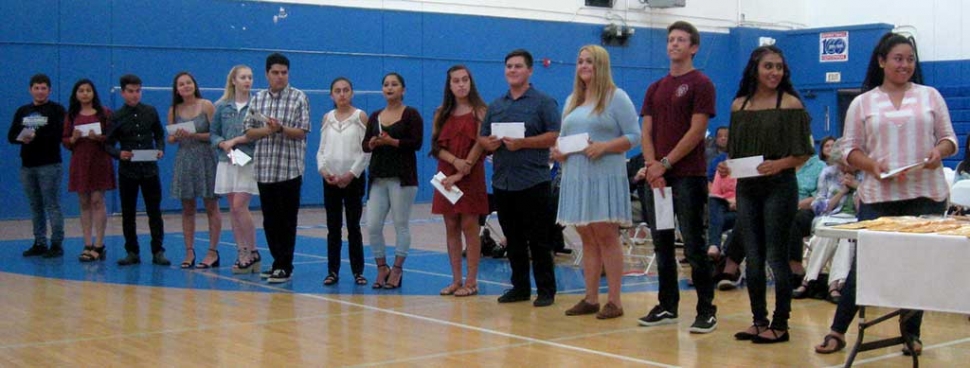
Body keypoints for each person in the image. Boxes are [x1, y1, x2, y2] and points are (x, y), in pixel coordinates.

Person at [815, 32, 956, 356]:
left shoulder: (930, 96)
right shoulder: (863, 102)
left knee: (917, 267)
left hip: (925, 194)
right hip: (878, 196)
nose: (905, 65)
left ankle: (911, 333)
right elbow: (848, 149)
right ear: (881, 61)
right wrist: (871, 165)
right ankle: (838, 331)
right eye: (898, 58)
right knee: (865, 264)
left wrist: (938, 152)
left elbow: (949, 139)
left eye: (910, 59)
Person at [722, 45, 815, 344]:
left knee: (777, 256)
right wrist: (726, 167)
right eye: (769, 66)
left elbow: (802, 152)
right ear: (755, 69)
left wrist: (779, 164)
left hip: (780, 186)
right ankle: (758, 320)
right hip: (748, 186)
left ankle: (781, 323)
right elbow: (735, 152)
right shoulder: (739, 106)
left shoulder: (790, 104)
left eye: (779, 67)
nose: (775, 72)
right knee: (753, 255)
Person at [637, 21, 717, 332]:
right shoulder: (655, 87)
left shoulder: (701, 83)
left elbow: (697, 131)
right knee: (662, 243)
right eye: (670, 39)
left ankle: (706, 309)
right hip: (658, 179)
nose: (674, 44)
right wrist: (652, 166)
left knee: (694, 245)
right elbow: (647, 130)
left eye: (681, 40)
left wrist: (666, 163)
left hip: (688, 177)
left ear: (693, 47)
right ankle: (667, 305)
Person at [553, 45, 640, 319]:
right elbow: (564, 137)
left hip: (604, 174)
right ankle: (590, 297)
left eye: (589, 61)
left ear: (601, 65)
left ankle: (614, 300)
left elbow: (633, 135)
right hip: (576, 175)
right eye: (580, 61)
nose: (583, 66)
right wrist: (559, 151)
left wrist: (604, 146)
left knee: (605, 234)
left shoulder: (617, 97)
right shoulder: (572, 101)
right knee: (586, 236)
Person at [479, 49, 561, 307]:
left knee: (539, 239)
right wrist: (489, 143)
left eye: (517, 66)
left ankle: (546, 290)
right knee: (512, 238)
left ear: (529, 70)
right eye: (509, 67)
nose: (512, 70)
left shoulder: (543, 102)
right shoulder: (496, 105)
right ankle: (520, 287)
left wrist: (523, 143)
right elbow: (482, 137)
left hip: (534, 181)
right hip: (503, 181)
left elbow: (553, 136)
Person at [244, 53, 310, 283]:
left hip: (289, 168)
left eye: (284, 72)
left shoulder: (299, 98)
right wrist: (267, 131)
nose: (280, 77)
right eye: (275, 72)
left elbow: (302, 132)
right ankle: (276, 262)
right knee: (270, 220)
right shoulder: (258, 99)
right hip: (264, 168)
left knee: (287, 219)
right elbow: (249, 132)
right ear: (267, 74)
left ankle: (284, 264)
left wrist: (281, 128)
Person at [430, 66, 489, 297]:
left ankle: (471, 281)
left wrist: (462, 169)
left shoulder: (480, 111)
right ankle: (456, 279)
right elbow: (436, 147)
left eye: (465, 80)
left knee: (469, 226)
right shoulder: (441, 112)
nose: (461, 84)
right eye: (456, 81)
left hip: (471, 173)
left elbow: (481, 143)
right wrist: (454, 162)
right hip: (447, 174)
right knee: (451, 225)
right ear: (450, 85)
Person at [363, 72, 423, 290]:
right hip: (378, 177)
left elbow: (416, 143)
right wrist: (372, 143)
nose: (390, 88)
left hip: (402, 178)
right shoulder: (375, 116)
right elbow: (364, 144)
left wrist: (392, 141)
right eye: (386, 85)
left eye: (394, 84)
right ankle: (381, 267)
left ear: (403, 90)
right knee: (372, 225)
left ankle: (397, 269)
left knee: (400, 224)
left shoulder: (411, 114)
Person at [105, 74, 170, 266]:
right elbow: (108, 144)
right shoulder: (116, 116)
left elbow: (159, 135)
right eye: (131, 91)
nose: (135, 95)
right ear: (123, 93)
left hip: (150, 170)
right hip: (128, 171)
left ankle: (158, 250)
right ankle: (132, 251)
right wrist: (119, 153)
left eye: (138, 91)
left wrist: (160, 149)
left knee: (154, 212)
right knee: (128, 212)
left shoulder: (150, 111)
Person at [316, 77, 371, 286]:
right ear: (331, 95)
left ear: (352, 93)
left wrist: (351, 174)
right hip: (330, 181)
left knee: (353, 226)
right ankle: (332, 271)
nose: (342, 94)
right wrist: (324, 171)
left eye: (346, 90)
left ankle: (358, 271)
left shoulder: (360, 117)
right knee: (333, 227)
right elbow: (321, 150)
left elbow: (366, 152)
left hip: (353, 180)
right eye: (337, 91)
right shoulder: (327, 118)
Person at [793, 142, 861, 303]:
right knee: (826, 236)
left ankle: (832, 284)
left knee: (847, 238)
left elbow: (866, 208)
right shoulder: (828, 173)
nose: (845, 168)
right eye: (842, 164)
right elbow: (818, 206)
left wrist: (857, 187)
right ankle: (812, 281)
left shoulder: (865, 175)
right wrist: (842, 192)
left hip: (855, 220)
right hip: (829, 217)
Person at [8, 73, 66, 259]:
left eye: (43, 88)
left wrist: (36, 137)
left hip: (49, 164)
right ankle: (39, 242)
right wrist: (22, 138)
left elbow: (59, 134)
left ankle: (56, 243)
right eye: (36, 88)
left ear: (49, 90)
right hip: (28, 165)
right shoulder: (22, 111)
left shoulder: (56, 110)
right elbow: (11, 136)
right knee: (35, 206)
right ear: (30, 89)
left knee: (52, 204)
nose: (40, 91)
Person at [168, 72, 221, 269]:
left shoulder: (206, 105)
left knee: (211, 206)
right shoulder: (174, 110)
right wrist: (177, 135)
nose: (186, 86)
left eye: (188, 82)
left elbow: (216, 133)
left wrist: (195, 134)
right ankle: (189, 250)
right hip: (185, 158)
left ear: (194, 84)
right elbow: (170, 138)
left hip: (205, 157)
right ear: (177, 89)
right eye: (181, 84)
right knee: (187, 208)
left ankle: (212, 251)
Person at [211, 65, 260, 274]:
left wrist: (238, 140)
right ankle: (242, 251)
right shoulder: (222, 107)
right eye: (243, 77)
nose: (247, 81)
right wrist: (223, 143)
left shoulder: (256, 105)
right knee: (233, 207)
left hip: (247, 160)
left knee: (241, 205)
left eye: (249, 77)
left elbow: (258, 133)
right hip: (227, 158)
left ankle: (254, 249)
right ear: (234, 80)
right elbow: (213, 133)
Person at [62, 79, 115, 262]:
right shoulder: (71, 115)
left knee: (97, 200)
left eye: (88, 90)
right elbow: (65, 141)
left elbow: (112, 137)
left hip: (99, 161)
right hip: (80, 161)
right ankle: (87, 243)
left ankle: (99, 244)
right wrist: (73, 139)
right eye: (81, 90)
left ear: (94, 93)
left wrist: (99, 137)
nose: (85, 93)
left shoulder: (105, 113)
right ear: (76, 94)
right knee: (84, 201)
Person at [788, 136, 834, 279]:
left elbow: (820, 197)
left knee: (792, 218)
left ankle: (795, 266)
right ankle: (726, 262)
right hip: (780, 208)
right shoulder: (784, 167)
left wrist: (796, 205)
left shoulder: (820, 167)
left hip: (809, 210)